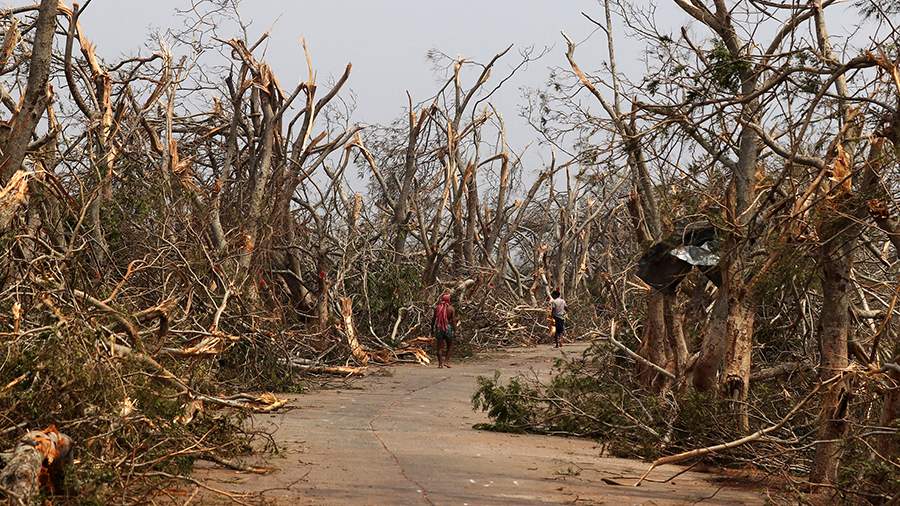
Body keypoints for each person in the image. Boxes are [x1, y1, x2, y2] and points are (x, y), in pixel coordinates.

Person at [431, 293, 456, 368]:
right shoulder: (451, 308)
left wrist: (432, 329)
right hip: (447, 328)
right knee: (450, 345)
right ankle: (446, 362)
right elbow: (453, 321)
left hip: (439, 328)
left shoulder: (437, 308)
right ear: (448, 300)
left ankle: (440, 364)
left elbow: (433, 320)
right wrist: (455, 330)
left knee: (439, 347)